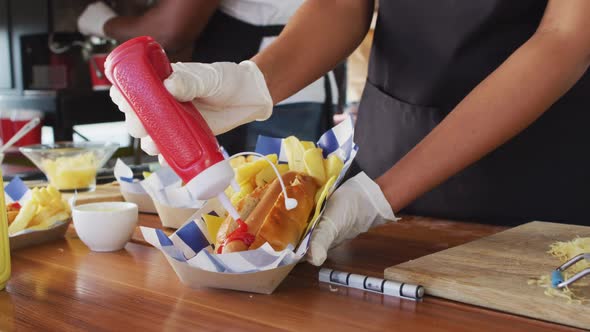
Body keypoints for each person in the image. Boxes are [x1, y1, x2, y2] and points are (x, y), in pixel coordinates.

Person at [111, 1, 590, 266]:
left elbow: (566, 39)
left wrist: (380, 195)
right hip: (387, 152)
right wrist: (254, 81)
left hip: (530, 176)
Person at [78, 0, 338, 153]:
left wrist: (100, 22)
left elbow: (168, 31)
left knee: (264, 207)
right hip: (293, 84)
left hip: (272, 92)